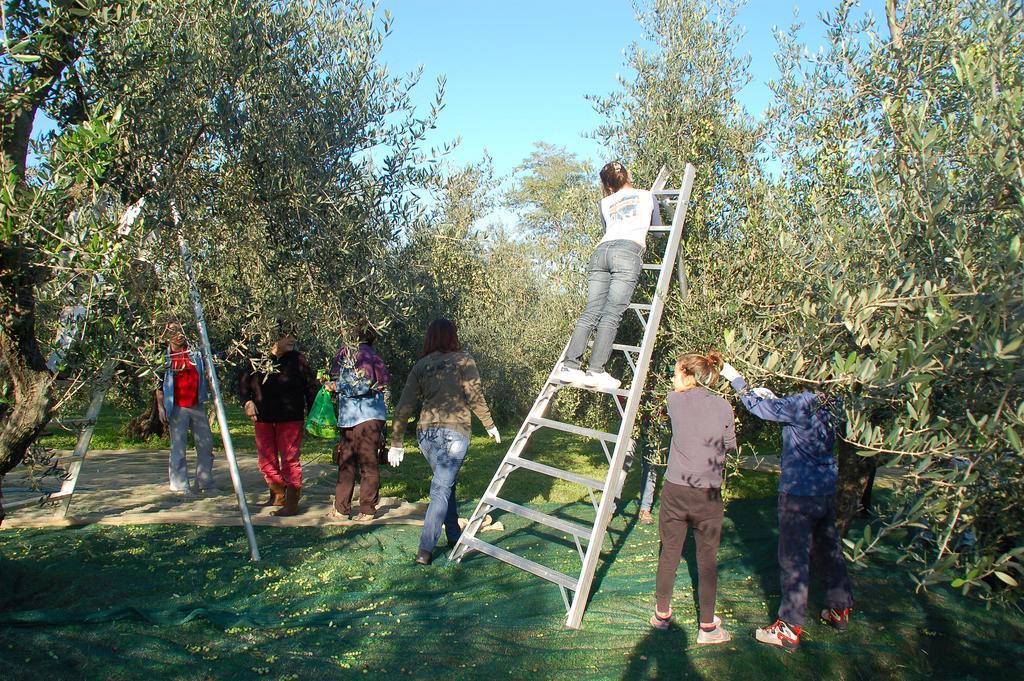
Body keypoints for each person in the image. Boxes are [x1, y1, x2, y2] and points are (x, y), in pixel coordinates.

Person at [720, 362, 853, 651]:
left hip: (798, 492)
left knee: (794, 558)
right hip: (824, 489)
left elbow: (759, 408)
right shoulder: (836, 403)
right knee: (830, 550)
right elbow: (787, 411)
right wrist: (775, 398)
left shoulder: (802, 403)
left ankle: (789, 628)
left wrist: (736, 379)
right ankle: (839, 609)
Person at [387, 319, 500, 565]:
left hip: (425, 434)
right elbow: (475, 396)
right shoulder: (463, 360)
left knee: (445, 484)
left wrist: (397, 440)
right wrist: (489, 424)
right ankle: (425, 549)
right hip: (455, 432)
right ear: (452, 337)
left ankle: (453, 535)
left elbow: (405, 404)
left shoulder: (421, 366)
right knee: (441, 488)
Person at [649, 352, 734, 645]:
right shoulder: (724, 406)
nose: (672, 379)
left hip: (675, 490)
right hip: (708, 494)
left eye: (675, 373)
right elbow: (730, 446)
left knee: (670, 551)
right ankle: (707, 627)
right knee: (707, 559)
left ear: (688, 375)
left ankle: (662, 615)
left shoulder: (673, 402)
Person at [557, 161, 662, 391]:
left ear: (607, 184)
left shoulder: (604, 202)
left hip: (601, 252)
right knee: (612, 314)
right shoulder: (646, 195)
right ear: (628, 175)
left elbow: (609, 230)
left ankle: (570, 366)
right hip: (627, 251)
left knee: (590, 311)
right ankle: (596, 371)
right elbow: (658, 228)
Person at [239, 325, 318, 517]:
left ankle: (292, 503)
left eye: (294, 336)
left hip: (291, 418)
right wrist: (247, 402)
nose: (292, 340)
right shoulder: (257, 359)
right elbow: (242, 384)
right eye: (287, 336)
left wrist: (314, 413)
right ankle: (278, 495)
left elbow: (310, 387)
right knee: (266, 460)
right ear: (274, 337)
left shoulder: (299, 360)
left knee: (290, 460)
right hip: (263, 417)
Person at [325, 324, 390, 522]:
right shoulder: (367, 355)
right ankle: (353, 508)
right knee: (354, 462)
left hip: (362, 416)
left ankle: (358, 509)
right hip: (362, 416)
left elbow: (363, 384)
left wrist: (336, 386)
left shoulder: (357, 355)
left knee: (357, 462)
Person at [155, 321, 217, 497]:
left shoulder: (195, 352)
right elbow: (158, 385)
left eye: (181, 331)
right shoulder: (164, 357)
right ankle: (180, 486)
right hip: (176, 407)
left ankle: (205, 483)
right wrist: (161, 407)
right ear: (167, 334)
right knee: (178, 447)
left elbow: (214, 360)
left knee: (205, 445)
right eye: (173, 331)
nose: (178, 335)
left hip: (197, 404)